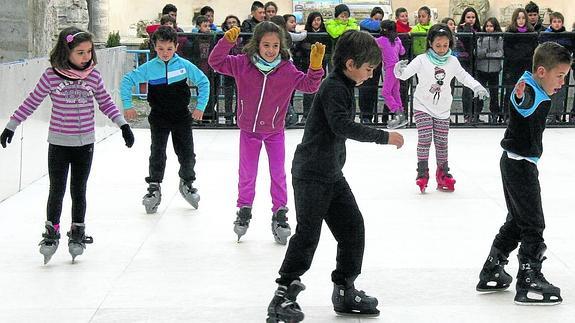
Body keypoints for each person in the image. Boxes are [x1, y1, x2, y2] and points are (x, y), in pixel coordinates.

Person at [266, 30, 404, 323]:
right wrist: (384, 137)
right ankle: (282, 297)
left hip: (330, 173)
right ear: (351, 64)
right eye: (368, 70)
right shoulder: (333, 87)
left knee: (353, 229)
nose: (370, 76)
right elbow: (341, 125)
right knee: (307, 235)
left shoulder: (343, 83)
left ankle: (344, 290)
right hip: (312, 174)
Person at [0, 27, 134, 264]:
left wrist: (122, 125)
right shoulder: (52, 76)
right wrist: (12, 124)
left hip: (85, 143)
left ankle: (78, 231)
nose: (86, 57)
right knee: (57, 188)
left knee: (79, 189)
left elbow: (105, 101)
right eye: (80, 52)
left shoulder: (93, 76)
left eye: (89, 52)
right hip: (59, 143)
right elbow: (32, 100)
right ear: (66, 52)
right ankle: (52, 232)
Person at [208, 22, 325, 244]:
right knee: (247, 173)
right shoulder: (242, 64)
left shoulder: (287, 70)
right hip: (249, 131)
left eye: (275, 45)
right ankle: (244, 209)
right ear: (257, 45)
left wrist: (316, 66)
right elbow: (215, 62)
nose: (270, 50)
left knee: (278, 173)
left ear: (281, 46)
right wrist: (226, 42)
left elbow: (310, 85)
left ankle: (280, 213)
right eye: (265, 45)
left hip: (274, 132)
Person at [476, 41, 571, 305]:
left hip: (516, 162)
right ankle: (529, 277)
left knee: (518, 221)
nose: (562, 82)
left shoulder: (532, 83)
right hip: (520, 165)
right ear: (542, 71)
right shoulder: (527, 90)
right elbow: (521, 99)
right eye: (560, 76)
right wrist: (519, 94)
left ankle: (493, 267)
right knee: (533, 223)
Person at [120, 26, 209, 214]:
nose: (165, 53)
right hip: (159, 117)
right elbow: (127, 81)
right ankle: (154, 185)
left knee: (187, 152)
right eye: (160, 49)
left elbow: (204, 81)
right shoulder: (149, 68)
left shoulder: (184, 65)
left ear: (176, 46)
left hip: (181, 116)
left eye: (169, 49)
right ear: (155, 47)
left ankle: (187, 181)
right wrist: (128, 105)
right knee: (157, 152)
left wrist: (200, 107)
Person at [394, 23, 488, 193]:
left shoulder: (452, 61)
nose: (442, 49)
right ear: (430, 43)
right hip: (422, 105)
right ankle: (422, 172)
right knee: (425, 138)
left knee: (442, 143)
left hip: (443, 109)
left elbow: (464, 77)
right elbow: (404, 74)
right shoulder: (421, 60)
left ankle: (442, 173)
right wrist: (398, 70)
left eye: (445, 45)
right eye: (438, 45)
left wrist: (477, 87)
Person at [502, 8, 538, 121]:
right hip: (512, 67)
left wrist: (521, 51)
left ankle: (525, 113)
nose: (521, 20)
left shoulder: (531, 33)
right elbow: (507, 50)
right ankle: (508, 115)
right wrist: (521, 52)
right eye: (518, 18)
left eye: (523, 18)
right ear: (514, 19)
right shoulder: (509, 33)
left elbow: (533, 50)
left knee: (527, 90)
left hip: (526, 66)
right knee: (510, 91)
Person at [376, 19, 406, 128]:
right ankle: (401, 116)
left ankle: (397, 112)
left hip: (390, 68)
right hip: (398, 68)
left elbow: (371, 42)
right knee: (395, 92)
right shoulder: (397, 39)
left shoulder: (381, 40)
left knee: (385, 92)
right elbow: (402, 51)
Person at [299, 12, 327, 124]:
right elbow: (301, 47)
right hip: (307, 65)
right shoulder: (305, 33)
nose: (317, 22)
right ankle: (306, 115)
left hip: (321, 66)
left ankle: (319, 116)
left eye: (319, 19)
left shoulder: (325, 33)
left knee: (320, 92)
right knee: (308, 92)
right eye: (314, 20)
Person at [476, 17, 504, 124]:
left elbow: (500, 53)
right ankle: (477, 113)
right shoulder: (480, 38)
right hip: (481, 69)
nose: (489, 28)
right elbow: (477, 52)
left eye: (491, 26)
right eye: (487, 26)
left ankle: (494, 115)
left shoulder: (499, 38)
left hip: (494, 69)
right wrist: (486, 52)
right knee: (479, 93)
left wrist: (487, 54)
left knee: (494, 93)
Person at [457, 7, 482, 123]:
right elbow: (466, 42)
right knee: (467, 88)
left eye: (473, 17)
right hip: (466, 62)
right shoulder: (461, 29)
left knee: (478, 87)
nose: (471, 20)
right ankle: (467, 115)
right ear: (464, 18)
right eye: (468, 17)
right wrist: (467, 28)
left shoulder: (479, 29)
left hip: (478, 62)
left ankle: (476, 114)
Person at [221, 15, 243, 125]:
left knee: (240, 94)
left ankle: (238, 117)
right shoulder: (223, 36)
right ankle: (228, 117)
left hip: (240, 69)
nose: (232, 24)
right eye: (229, 22)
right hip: (228, 69)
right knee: (228, 94)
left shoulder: (242, 37)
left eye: (234, 22)